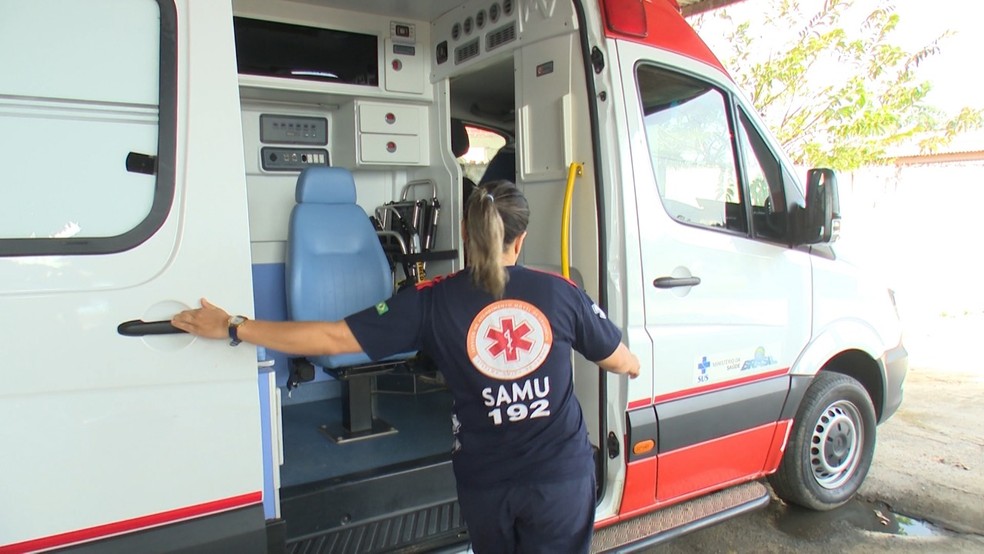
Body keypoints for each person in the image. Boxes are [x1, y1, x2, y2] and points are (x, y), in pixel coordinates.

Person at [172, 179, 640, 553]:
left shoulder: (430, 300)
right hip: (560, 478)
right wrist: (635, 364)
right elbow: (617, 358)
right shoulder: (560, 292)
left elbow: (331, 337)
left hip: (486, 484)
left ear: (465, 232)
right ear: (520, 240)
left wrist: (234, 326)